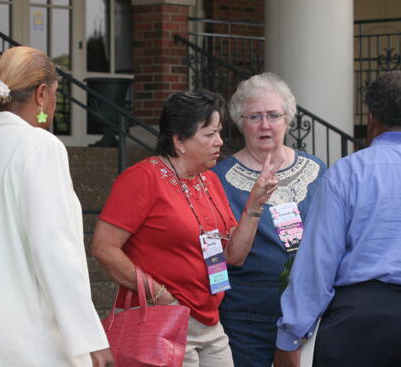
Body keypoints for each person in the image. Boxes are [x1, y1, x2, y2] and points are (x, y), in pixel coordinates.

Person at [0, 46, 113, 367]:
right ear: (42, 93)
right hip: (19, 333)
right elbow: (54, 248)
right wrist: (89, 337)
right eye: (55, 93)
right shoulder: (40, 147)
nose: (54, 103)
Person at [275, 70, 401, 367]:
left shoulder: (346, 173)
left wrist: (291, 335)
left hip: (362, 323)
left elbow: (317, 263)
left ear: (372, 117)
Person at [92, 90, 280, 367]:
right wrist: (159, 295)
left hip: (210, 319)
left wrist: (254, 206)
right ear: (179, 140)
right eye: (209, 134)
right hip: (162, 319)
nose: (219, 142)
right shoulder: (143, 178)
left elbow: (233, 256)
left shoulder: (209, 180)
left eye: (219, 132)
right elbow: (103, 248)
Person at [212, 72, 326, 366]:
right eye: (255, 117)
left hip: (307, 315)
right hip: (244, 318)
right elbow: (213, 257)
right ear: (240, 122)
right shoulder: (218, 179)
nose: (265, 125)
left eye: (274, 115)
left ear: (287, 119)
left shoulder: (316, 171)